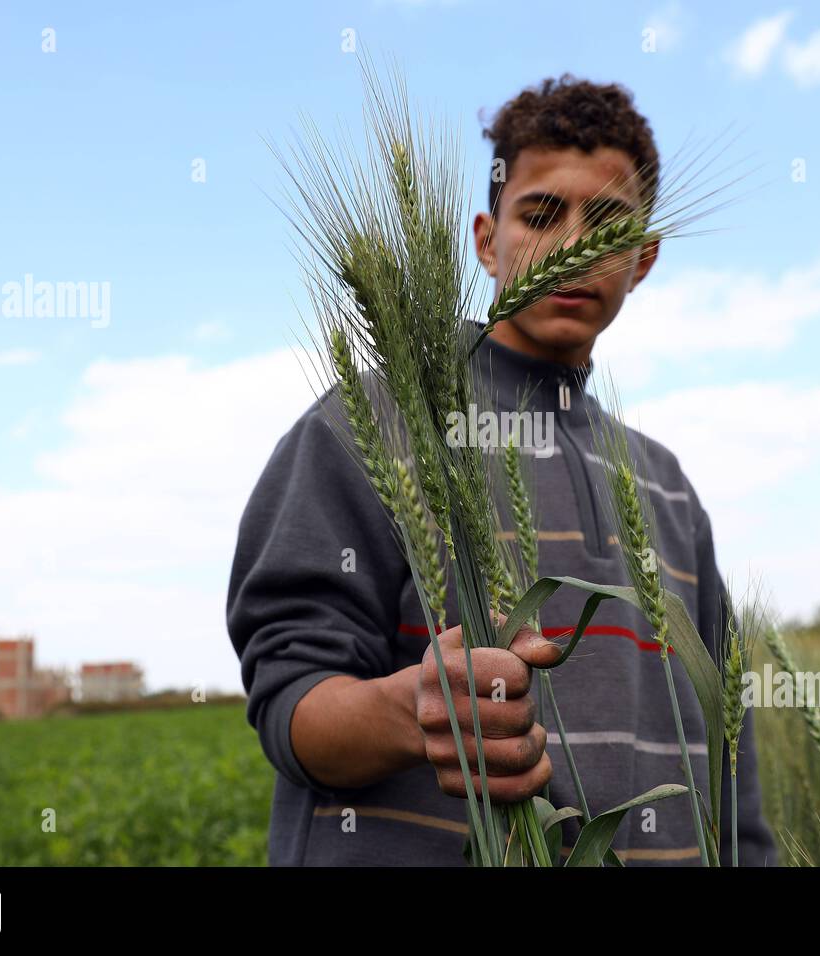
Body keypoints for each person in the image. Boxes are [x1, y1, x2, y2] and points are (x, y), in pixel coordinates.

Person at [227, 75, 777, 866]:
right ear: (487, 239)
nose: (569, 243)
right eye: (541, 214)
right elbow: (290, 701)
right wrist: (408, 712)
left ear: (645, 258)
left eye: (608, 222)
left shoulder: (667, 486)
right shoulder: (369, 424)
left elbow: (731, 764)